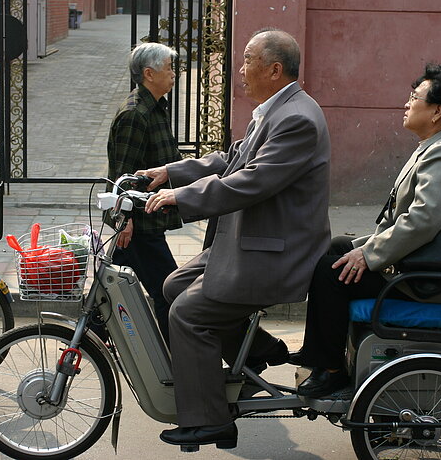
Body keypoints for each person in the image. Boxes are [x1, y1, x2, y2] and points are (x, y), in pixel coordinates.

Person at [139, 29, 331, 448]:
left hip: (277, 254)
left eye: (247, 60)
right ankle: (258, 351)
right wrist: (170, 172)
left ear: (274, 69)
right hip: (254, 243)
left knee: (188, 315)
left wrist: (179, 198)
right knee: (172, 285)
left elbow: (251, 181)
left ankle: (212, 420)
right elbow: (231, 159)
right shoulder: (276, 109)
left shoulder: (296, 118)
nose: (240, 70)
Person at [293, 63, 441, 399]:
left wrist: (367, 253)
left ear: (437, 111)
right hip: (418, 263)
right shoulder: (435, 146)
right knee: (337, 248)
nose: (407, 104)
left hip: (427, 278)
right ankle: (321, 355)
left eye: (414, 98)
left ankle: (332, 369)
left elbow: (421, 222)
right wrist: (359, 247)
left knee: (329, 272)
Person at [107, 42, 182, 342]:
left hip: (144, 219)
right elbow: (122, 174)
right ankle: (178, 362)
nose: (175, 73)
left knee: (111, 291)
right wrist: (124, 220)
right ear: (149, 74)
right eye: (170, 68)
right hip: (139, 223)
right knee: (170, 292)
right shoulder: (135, 114)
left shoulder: (154, 107)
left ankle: (89, 343)